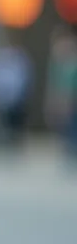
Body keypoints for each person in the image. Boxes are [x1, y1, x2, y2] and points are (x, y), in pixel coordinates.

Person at [0, 42, 32, 148]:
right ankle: (1, 143)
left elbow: (23, 80)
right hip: (1, 100)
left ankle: (15, 143)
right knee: (2, 124)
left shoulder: (19, 60)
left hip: (16, 100)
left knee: (16, 125)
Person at [43, 27, 77, 160]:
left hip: (72, 103)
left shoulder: (72, 65)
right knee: (64, 132)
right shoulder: (56, 66)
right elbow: (54, 87)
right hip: (61, 104)